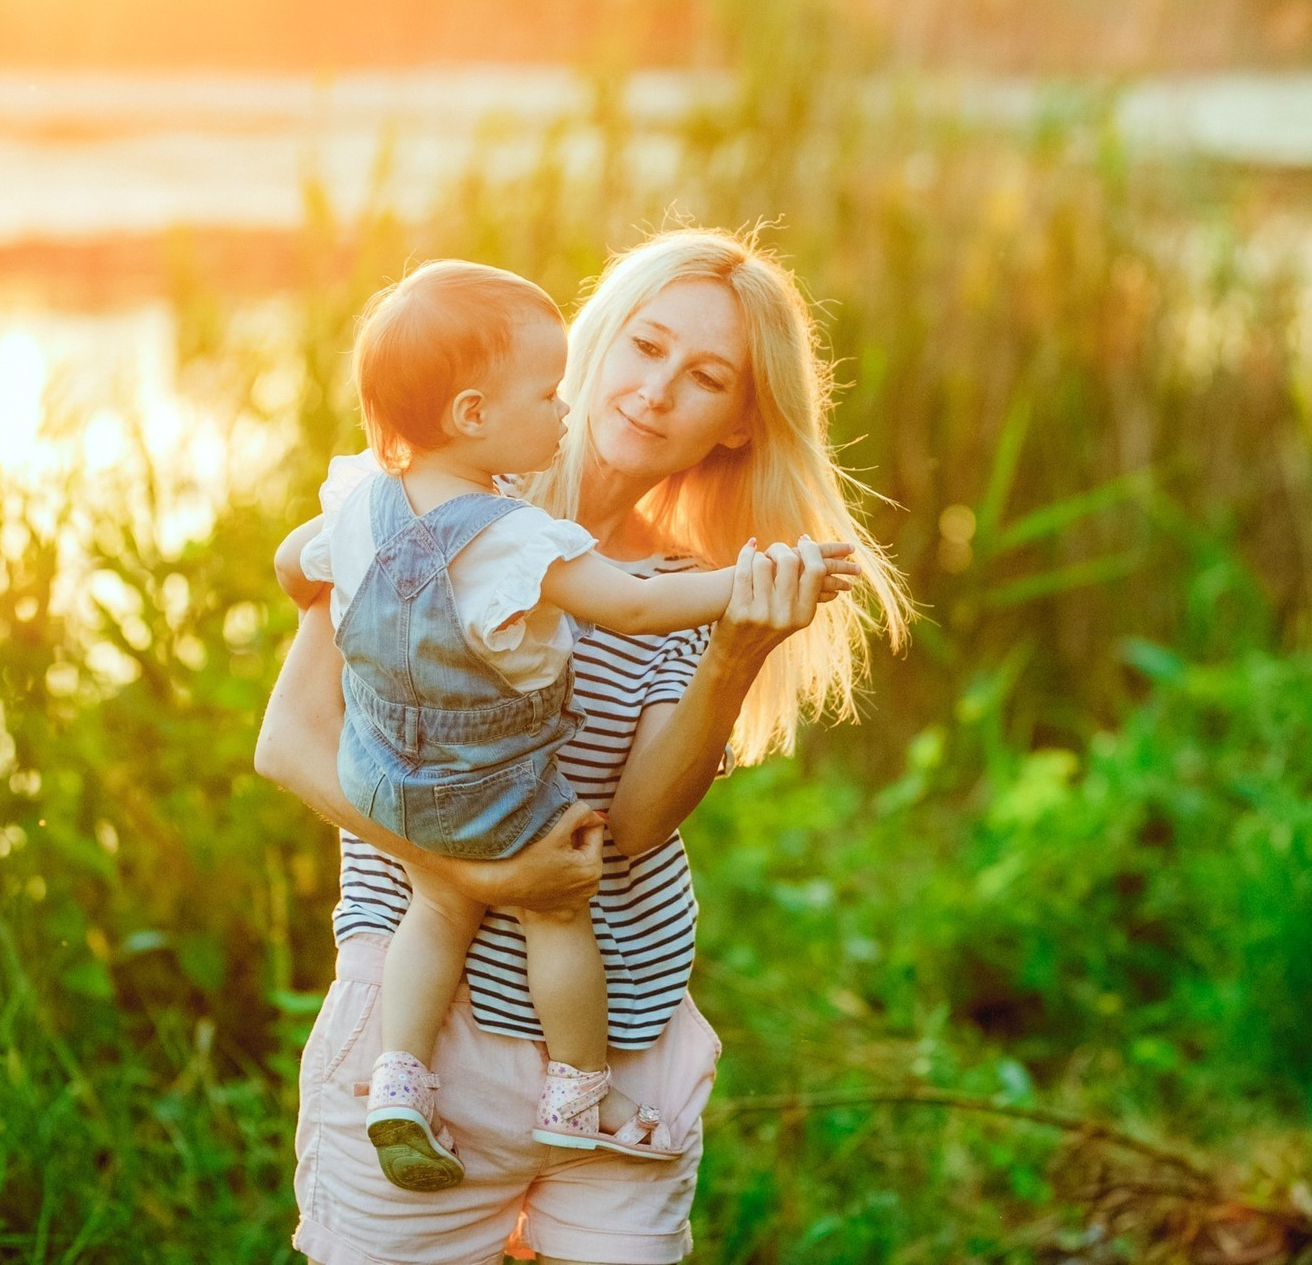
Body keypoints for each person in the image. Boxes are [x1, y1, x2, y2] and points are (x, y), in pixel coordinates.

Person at [256, 227, 910, 1265]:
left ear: (740, 421)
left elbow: (637, 823)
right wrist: (467, 873)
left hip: (615, 1042)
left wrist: (734, 652)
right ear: (596, 341)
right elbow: (290, 741)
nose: (656, 390)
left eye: (705, 378)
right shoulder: (431, 496)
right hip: (423, 1037)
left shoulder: (688, 592)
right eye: (646, 346)